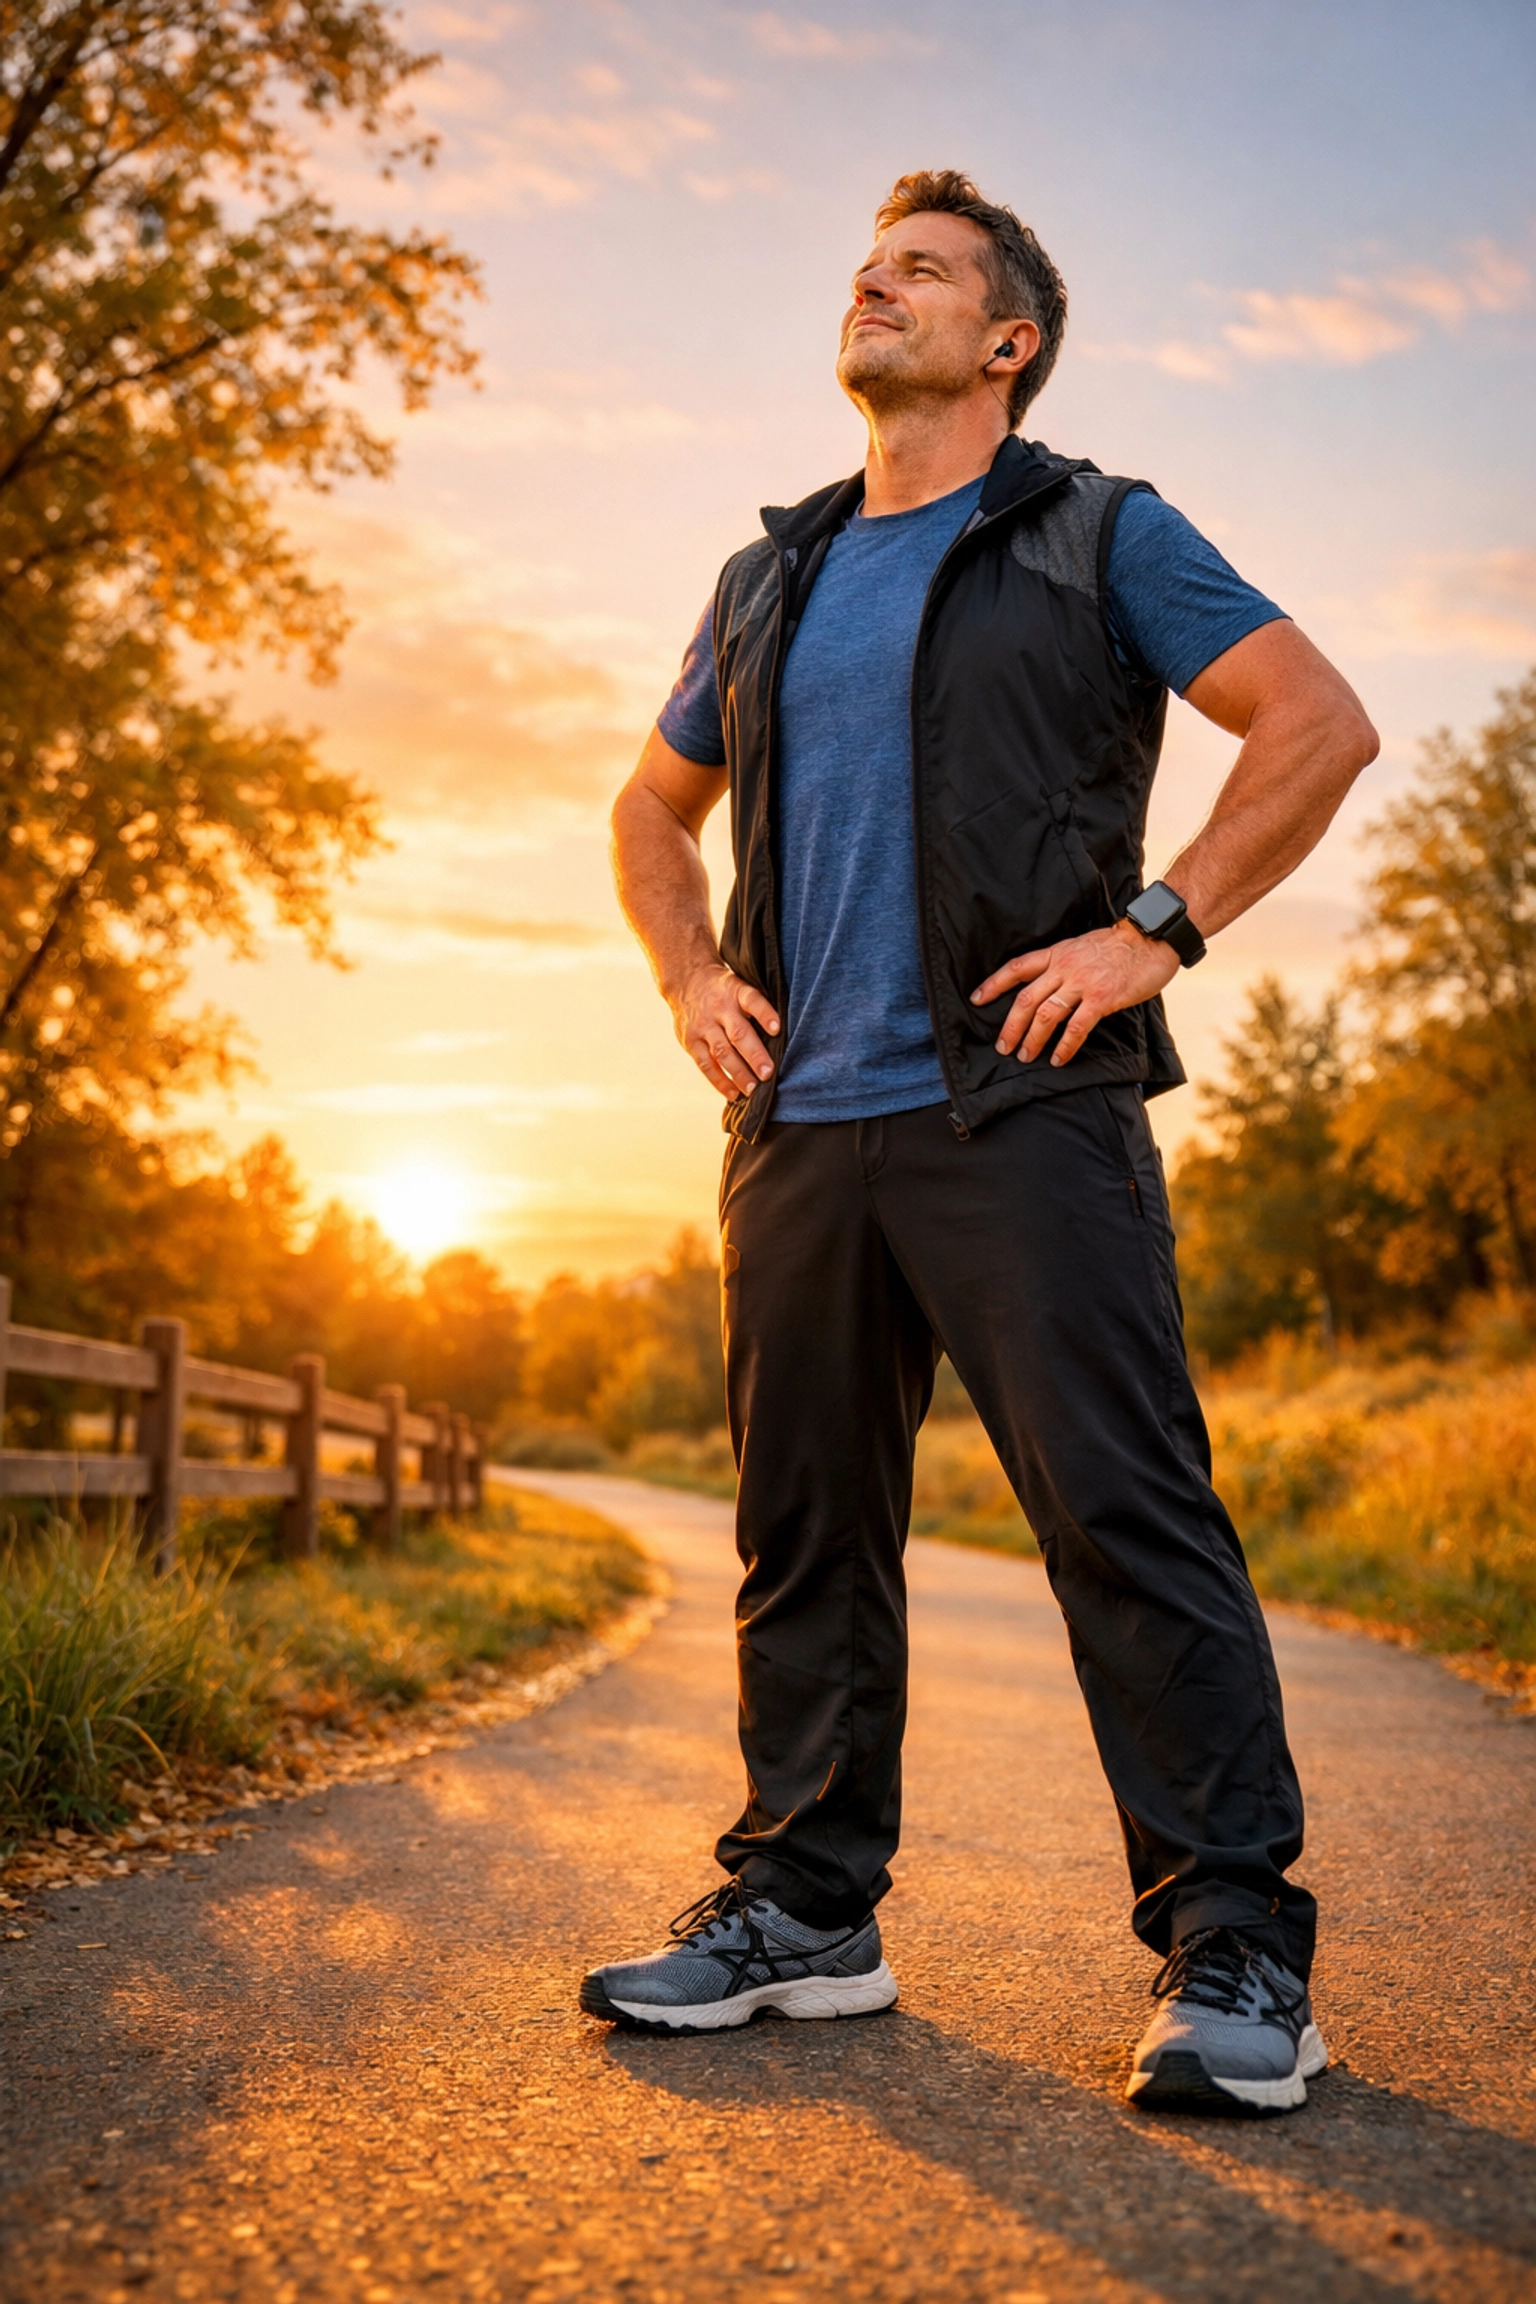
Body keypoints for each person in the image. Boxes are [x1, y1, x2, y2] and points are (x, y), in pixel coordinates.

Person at [587, 170, 1377, 2115]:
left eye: (923, 269)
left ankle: (1236, 1947)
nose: (878, 282)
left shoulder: (1096, 529)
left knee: (1121, 1510)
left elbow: (1315, 722)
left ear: (1006, 339)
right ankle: (804, 1908)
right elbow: (645, 811)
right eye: (871, 264)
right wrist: (694, 983)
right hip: (796, 1131)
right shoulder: (766, 576)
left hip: (1025, 1106)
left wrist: (1153, 932)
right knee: (804, 1534)